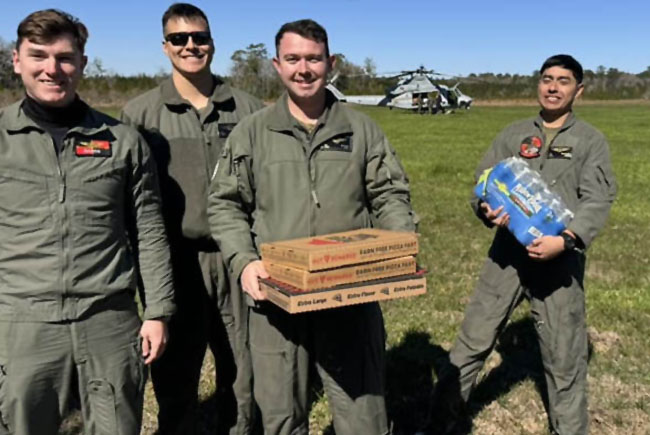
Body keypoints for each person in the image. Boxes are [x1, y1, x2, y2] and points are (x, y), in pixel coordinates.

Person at [207, 19, 417, 435]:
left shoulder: (361, 130)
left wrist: (397, 248)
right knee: (281, 415)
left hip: (348, 297)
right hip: (275, 299)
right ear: (277, 65)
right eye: (293, 59)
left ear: (331, 63)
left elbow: (390, 195)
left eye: (314, 59)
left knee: (364, 416)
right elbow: (225, 205)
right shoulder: (252, 132)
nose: (304, 69)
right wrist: (245, 262)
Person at [0, 9, 175, 435]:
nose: (51, 69)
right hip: (22, 320)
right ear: (16, 60)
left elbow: (149, 231)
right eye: (38, 56)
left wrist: (158, 312)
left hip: (109, 318)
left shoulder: (121, 142)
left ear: (82, 63)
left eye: (64, 58)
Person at [424, 54, 617, 435]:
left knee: (564, 358)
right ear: (538, 84)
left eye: (563, 81)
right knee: (470, 344)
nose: (553, 87)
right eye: (547, 78)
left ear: (579, 89)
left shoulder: (590, 142)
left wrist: (567, 241)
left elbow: (597, 200)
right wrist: (484, 208)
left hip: (559, 259)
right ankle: (438, 426)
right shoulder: (513, 135)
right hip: (506, 256)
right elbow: (482, 183)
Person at [120, 3, 263, 434]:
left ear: (212, 43)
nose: (191, 45)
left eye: (199, 37)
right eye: (179, 39)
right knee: (176, 378)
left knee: (244, 373)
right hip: (174, 261)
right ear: (165, 47)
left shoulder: (250, 109)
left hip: (238, 258)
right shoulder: (140, 114)